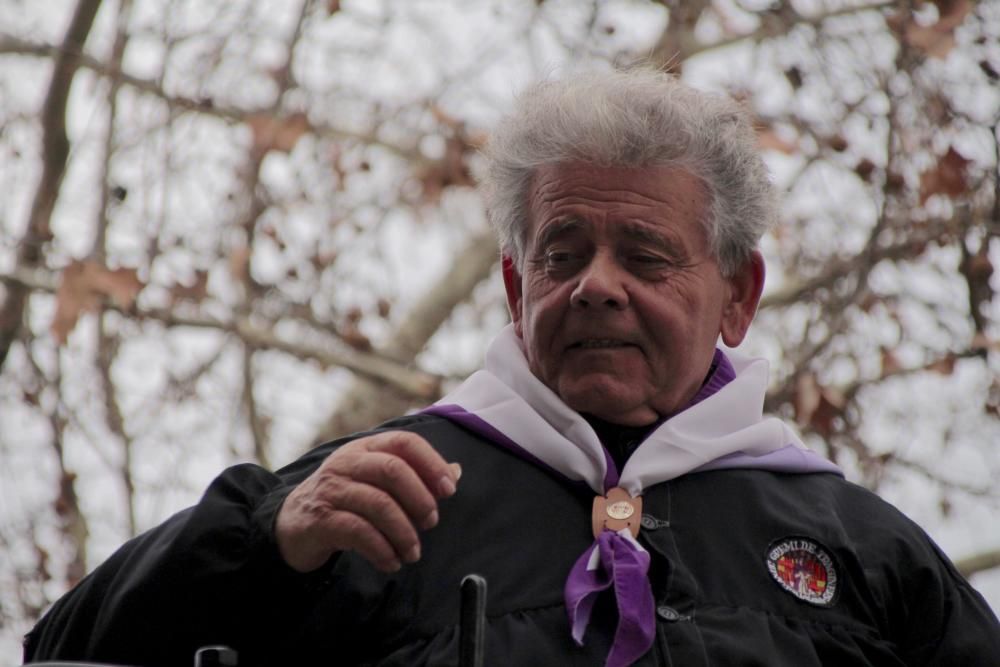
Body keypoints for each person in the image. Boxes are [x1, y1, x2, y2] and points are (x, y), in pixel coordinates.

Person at [24, 68, 1000, 667]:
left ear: (738, 295)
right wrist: (266, 540)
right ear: (511, 284)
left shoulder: (861, 549)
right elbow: (65, 651)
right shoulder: (370, 496)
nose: (595, 287)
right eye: (562, 253)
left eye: (646, 256)